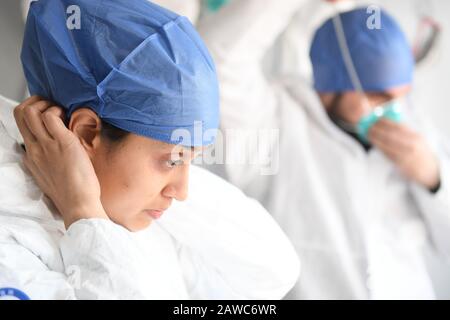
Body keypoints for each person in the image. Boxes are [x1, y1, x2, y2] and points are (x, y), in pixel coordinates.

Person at [0, 0, 300, 300]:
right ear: (86, 132)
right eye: (172, 160)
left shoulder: (130, 213)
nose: (182, 192)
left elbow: (272, 271)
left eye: (190, 160)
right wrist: (82, 211)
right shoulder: (12, 238)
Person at [198, 0, 450, 299]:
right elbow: (221, 58)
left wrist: (434, 180)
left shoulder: (416, 133)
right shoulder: (276, 125)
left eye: (400, 96)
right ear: (331, 87)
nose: (394, 110)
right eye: (379, 96)